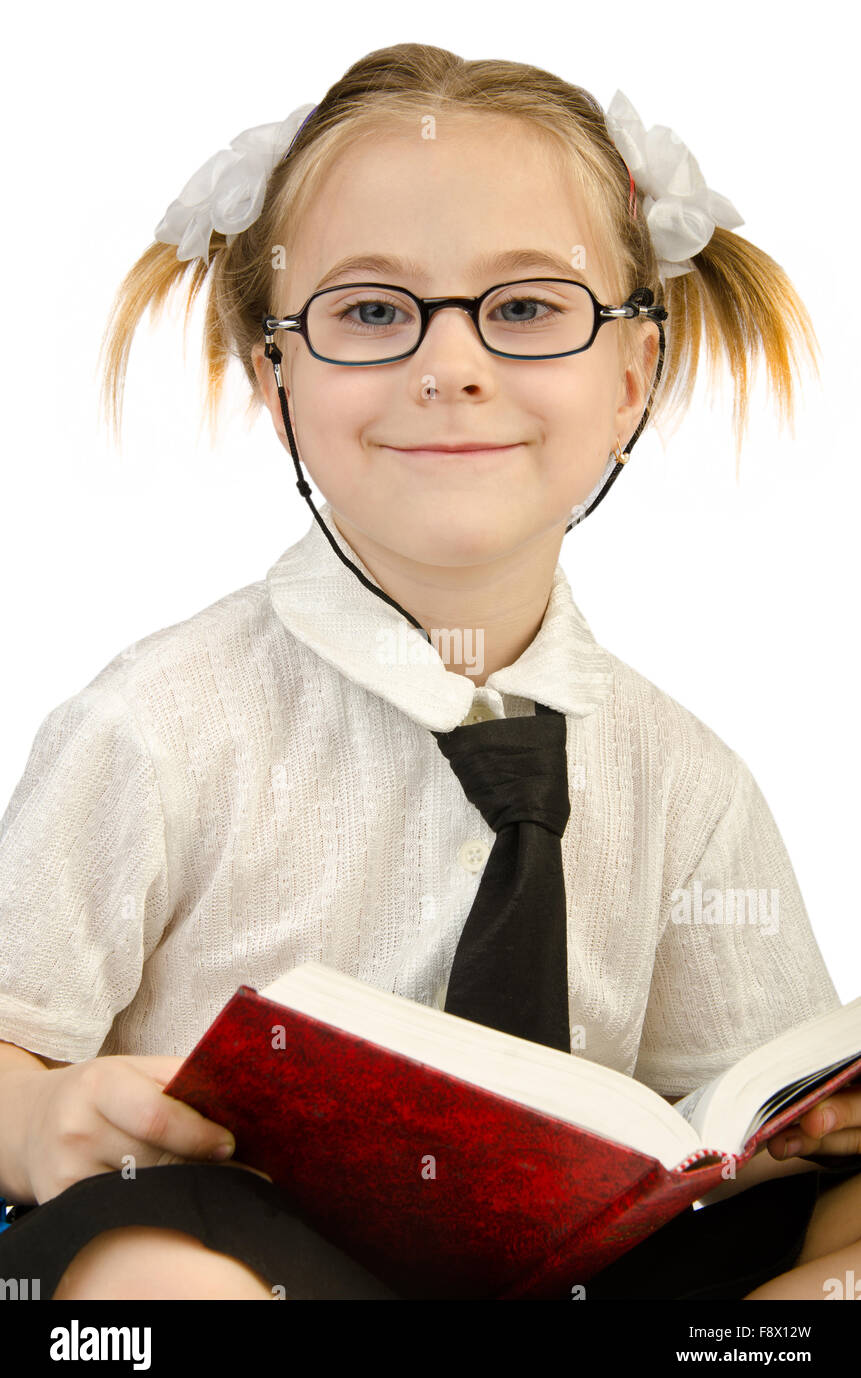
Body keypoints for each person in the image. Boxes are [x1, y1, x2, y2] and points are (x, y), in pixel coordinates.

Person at [0, 41, 859, 1302]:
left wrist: (803, 1135)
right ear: (272, 373)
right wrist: (35, 1115)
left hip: (565, 1285)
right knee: (146, 1266)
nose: (450, 366)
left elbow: (737, 1108)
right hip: (249, 1256)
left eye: (524, 308)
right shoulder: (161, 726)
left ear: (632, 373)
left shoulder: (685, 780)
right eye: (368, 311)